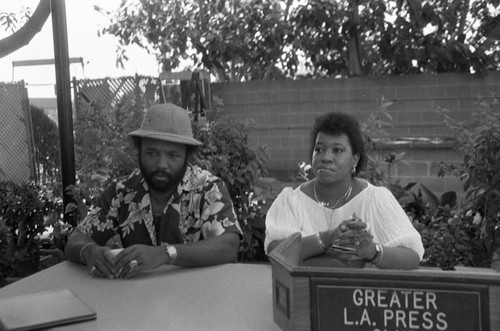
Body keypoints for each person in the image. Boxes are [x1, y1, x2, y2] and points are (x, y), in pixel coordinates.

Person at [65, 103, 242, 279]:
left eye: (172, 155)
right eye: (152, 153)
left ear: (187, 156)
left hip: (198, 297)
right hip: (137, 301)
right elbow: (76, 239)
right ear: (139, 151)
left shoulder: (208, 188)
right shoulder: (121, 193)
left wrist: (166, 254)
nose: (161, 164)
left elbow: (229, 245)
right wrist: (90, 252)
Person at [264, 112, 424, 270]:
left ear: (354, 159)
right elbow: (276, 252)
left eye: (337, 150)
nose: (325, 157)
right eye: (319, 149)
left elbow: (411, 258)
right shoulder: (292, 201)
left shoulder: (374, 199)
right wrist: (327, 238)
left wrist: (372, 252)